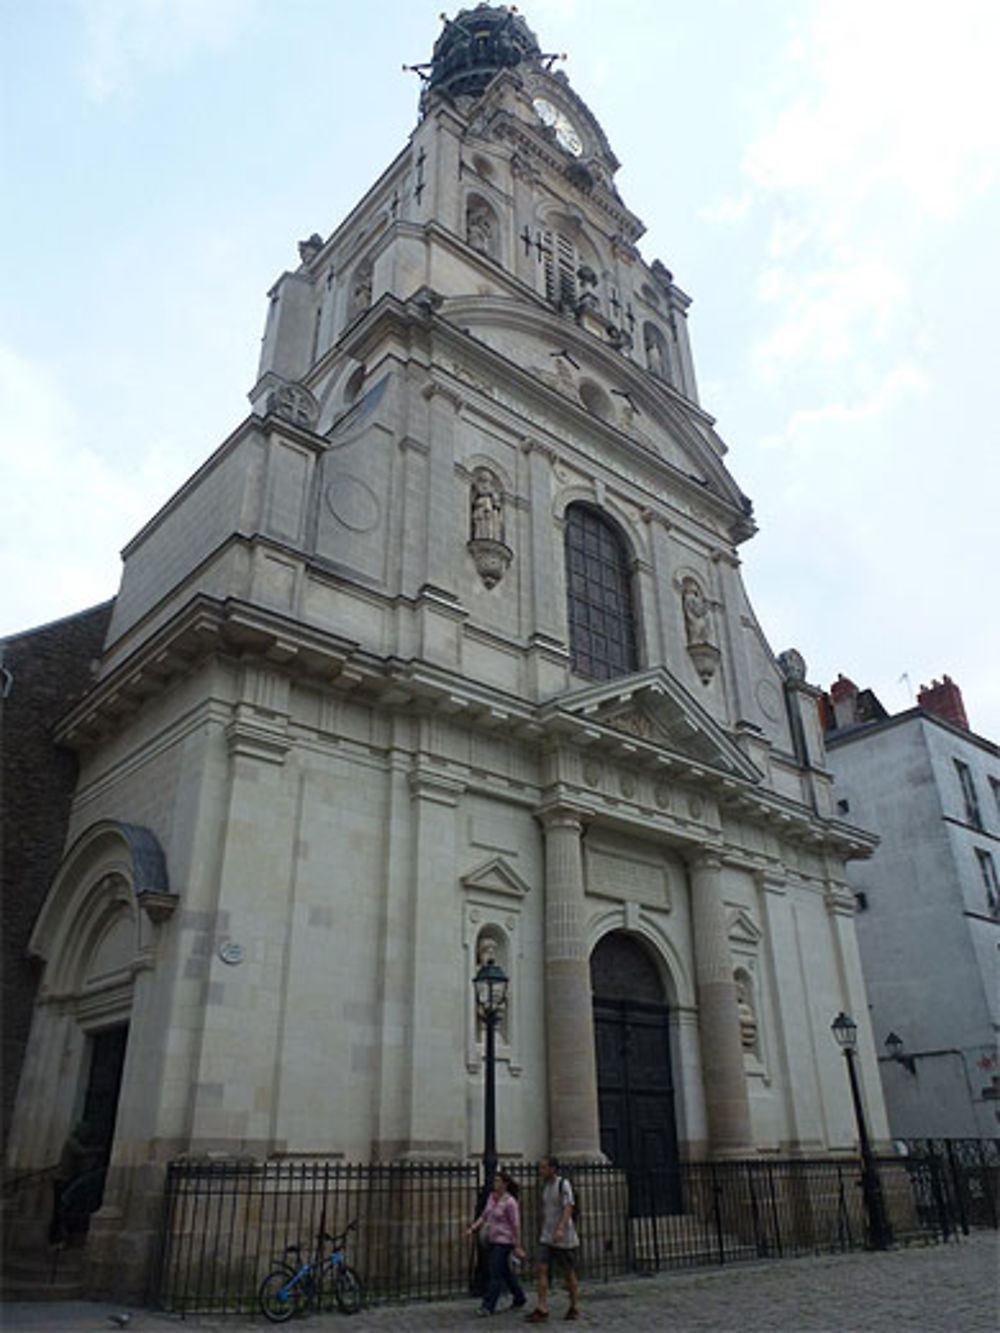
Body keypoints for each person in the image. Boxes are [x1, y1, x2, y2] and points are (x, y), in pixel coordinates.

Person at [525, 1156, 579, 1322]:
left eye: (543, 1168)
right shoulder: (545, 1187)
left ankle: (574, 1306)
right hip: (547, 1236)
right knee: (541, 1269)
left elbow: (568, 1207)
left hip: (563, 1237)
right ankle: (542, 1307)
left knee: (568, 1273)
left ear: (553, 1169)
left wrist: (561, 1228)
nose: (541, 1171)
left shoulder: (564, 1184)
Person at [466, 1171, 527, 1317]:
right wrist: (473, 1228)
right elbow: (484, 1216)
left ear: (505, 1184)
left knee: (494, 1274)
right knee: (505, 1272)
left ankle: (488, 1306)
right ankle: (519, 1297)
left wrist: (517, 1245)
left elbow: (515, 1225)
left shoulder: (510, 1202)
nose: (495, 1183)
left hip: (505, 1242)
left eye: (498, 1181)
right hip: (492, 1239)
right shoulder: (492, 1198)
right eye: (495, 1181)